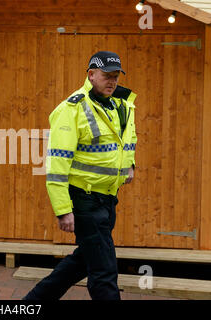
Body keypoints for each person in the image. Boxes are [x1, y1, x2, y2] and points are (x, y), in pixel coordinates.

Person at [24, 51, 137, 300]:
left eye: (116, 76)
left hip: (108, 198)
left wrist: (130, 165)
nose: (112, 81)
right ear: (91, 75)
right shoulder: (72, 109)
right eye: (107, 76)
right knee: (104, 270)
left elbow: (128, 140)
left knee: (83, 260)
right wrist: (63, 209)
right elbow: (57, 163)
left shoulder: (122, 105)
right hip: (84, 199)